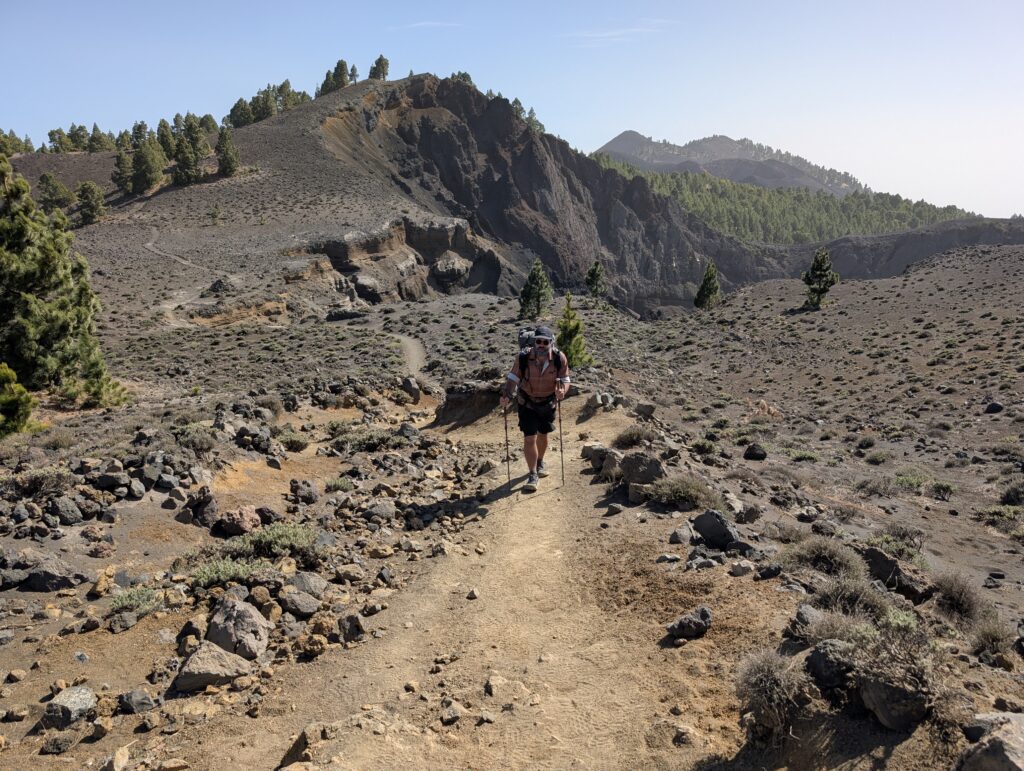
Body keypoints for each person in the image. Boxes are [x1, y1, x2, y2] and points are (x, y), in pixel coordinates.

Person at [499, 325, 570, 492]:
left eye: (546, 342)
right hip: (527, 403)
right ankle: (532, 474)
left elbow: (565, 379)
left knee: (543, 435)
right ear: (534, 342)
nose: (542, 345)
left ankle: (540, 461)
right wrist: (507, 395)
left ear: (551, 343)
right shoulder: (523, 357)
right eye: (538, 341)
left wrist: (562, 392)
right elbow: (513, 378)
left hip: (548, 403)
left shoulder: (559, 358)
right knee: (529, 438)